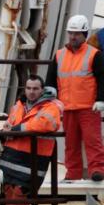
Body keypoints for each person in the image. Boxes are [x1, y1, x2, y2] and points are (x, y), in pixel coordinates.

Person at [0, 75, 63, 205]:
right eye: (28, 88)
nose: (31, 92)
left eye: (35, 89)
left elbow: (44, 124)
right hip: (11, 165)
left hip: (30, 167)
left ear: (42, 90)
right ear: (24, 89)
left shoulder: (51, 107)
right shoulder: (18, 106)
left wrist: (16, 130)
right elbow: (9, 125)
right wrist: (7, 132)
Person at [44, 14, 104, 181]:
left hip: (88, 108)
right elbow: (51, 81)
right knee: (71, 145)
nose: (72, 36)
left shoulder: (95, 55)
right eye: (70, 33)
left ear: (84, 34)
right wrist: (51, 100)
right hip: (68, 108)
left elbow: (102, 79)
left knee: (93, 142)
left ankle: (97, 171)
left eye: (76, 33)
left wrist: (101, 100)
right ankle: (73, 175)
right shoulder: (59, 55)